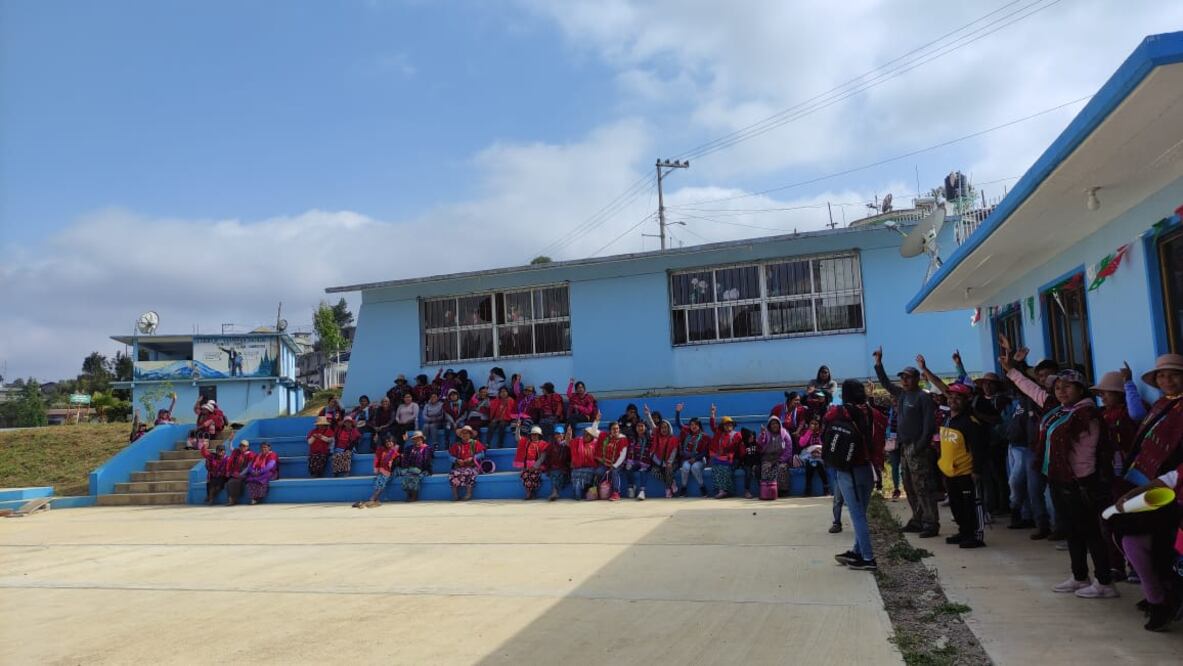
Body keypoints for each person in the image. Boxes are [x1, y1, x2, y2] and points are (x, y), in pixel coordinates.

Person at [1002, 354, 1117, 599]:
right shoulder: (1058, 410)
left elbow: (1086, 455)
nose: (1061, 390)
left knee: (1090, 532)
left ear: (1080, 388)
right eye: (1057, 387)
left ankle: (1105, 581)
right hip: (1059, 480)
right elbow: (1033, 390)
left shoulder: (1086, 415)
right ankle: (1079, 576)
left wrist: (1079, 484)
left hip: (1079, 483)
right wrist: (1012, 371)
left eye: (1067, 386)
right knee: (1072, 531)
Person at [1112, 354, 1183, 630]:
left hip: (1171, 490)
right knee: (1132, 539)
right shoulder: (1162, 404)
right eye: (1162, 376)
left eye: (1174, 374)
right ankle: (1158, 595)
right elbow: (1140, 421)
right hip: (1145, 483)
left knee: (1157, 547)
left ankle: (1161, 599)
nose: (1167, 380)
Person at [874, 346, 940, 537]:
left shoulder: (923, 398)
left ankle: (931, 522)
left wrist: (920, 446)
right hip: (904, 447)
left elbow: (929, 426)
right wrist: (879, 364)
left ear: (917, 379)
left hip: (918, 447)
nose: (904, 380)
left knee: (924, 486)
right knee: (909, 485)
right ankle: (917, 519)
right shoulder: (902, 394)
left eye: (908, 377)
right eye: (902, 377)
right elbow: (886, 384)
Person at [830, 379, 887, 572]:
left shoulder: (841, 412)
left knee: (857, 515)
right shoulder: (874, 413)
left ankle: (868, 558)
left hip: (849, 470)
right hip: (869, 469)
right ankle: (857, 551)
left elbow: (827, 420)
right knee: (861, 512)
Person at [933, 382, 989, 548]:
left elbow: (979, 449)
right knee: (956, 506)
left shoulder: (970, 422)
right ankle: (963, 531)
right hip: (950, 472)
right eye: (950, 397)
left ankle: (975, 535)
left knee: (971, 505)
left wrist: (976, 470)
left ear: (966, 400)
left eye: (958, 397)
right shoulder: (947, 420)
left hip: (966, 472)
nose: (953, 400)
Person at [355, 434, 400, 508]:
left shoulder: (395, 452)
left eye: (390, 441)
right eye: (387, 442)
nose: (388, 443)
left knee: (383, 479)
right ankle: (374, 498)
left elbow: (393, 464)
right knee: (380, 479)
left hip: (391, 472)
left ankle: (373, 498)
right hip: (382, 471)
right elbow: (377, 460)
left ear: (394, 442)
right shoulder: (381, 450)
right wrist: (377, 469)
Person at [673, 403, 709, 497]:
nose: (693, 426)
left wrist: (696, 458)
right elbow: (678, 423)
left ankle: (702, 487)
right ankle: (683, 488)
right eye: (692, 424)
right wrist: (678, 412)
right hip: (687, 459)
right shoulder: (686, 431)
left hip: (700, 460)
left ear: (699, 425)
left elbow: (705, 452)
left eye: (696, 424)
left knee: (694, 468)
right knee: (685, 468)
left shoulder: (704, 436)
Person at [707, 405, 741, 499]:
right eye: (726, 424)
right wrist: (713, 414)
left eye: (730, 424)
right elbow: (712, 426)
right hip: (720, 458)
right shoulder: (719, 434)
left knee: (724, 469)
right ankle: (721, 491)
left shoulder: (737, 435)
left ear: (733, 425)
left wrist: (726, 453)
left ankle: (727, 491)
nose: (728, 426)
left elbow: (734, 448)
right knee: (715, 469)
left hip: (732, 459)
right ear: (723, 426)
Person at [594, 419, 629, 502]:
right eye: (613, 429)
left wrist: (614, 466)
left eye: (617, 428)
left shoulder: (623, 439)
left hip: (618, 464)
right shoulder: (605, 436)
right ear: (610, 430)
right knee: (598, 472)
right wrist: (597, 420)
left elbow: (622, 455)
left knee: (614, 472)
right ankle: (598, 491)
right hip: (606, 463)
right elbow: (594, 431)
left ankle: (616, 493)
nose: (616, 430)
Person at [448, 425, 485, 501]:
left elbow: (482, 454)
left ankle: (468, 494)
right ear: (460, 435)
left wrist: (472, 458)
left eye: (467, 433)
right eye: (463, 433)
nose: (464, 435)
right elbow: (450, 457)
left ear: (470, 434)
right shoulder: (457, 445)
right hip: (460, 466)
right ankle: (455, 495)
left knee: (468, 472)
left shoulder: (475, 443)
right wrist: (457, 460)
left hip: (472, 466)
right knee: (453, 474)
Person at [758, 416, 791, 498]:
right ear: (769, 426)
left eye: (776, 423)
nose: (774, 425)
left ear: (779, 424)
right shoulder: (766, 434)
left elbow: (788, 449)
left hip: (781, 458)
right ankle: (767, 490)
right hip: (767, 458)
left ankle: (782, 491)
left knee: (782, 468)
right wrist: (762, 435)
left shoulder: (785, 434)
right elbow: (760, 445)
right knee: (766, 468)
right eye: (772, 424)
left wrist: (781, 460)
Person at [513, 425, 548, 500]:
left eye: (536, 434)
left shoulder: (543, 444)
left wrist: (535, 466)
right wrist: (518, 428)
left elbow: (542, 457)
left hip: (537, 467)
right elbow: (517, 438)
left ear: (539, 435)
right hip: (527, 467)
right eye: (532, 434)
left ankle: (532, 492)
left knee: (534, 476)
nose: (534, 436)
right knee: (525, 475)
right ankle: (529, 493)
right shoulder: (526, 442)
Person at [623, 420, 654, 500]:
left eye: (642, 426)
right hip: (635, 462)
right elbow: (630, 452)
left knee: (642, 470)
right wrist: (629, 462)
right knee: (628, 468)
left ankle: (642, 491)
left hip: (647, 462)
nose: (640, 428)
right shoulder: (633, 439)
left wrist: (648, 416)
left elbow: (654, 430)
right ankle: (631, 487)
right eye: (638, 426)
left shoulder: (650, 438)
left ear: (645, 427)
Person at [651, 417, 681, 498]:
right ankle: (672, 482)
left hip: (673, 462)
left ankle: (668, 489)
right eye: (662, 428)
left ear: (669, 428)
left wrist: (669, 462)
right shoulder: (657, 438)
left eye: (665, 427)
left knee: (668, 470)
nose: (664, 429)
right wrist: (648, 415)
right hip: (661, 463)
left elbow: (674, 452)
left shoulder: (674, 439)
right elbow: (653, 454)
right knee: (653, 471)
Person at [400, 431, 434, 502]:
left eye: (419, 439)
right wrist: (406, 468)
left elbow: (427, 461)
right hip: (410, 469)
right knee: (405, 477)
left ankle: (414, 496)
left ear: (422, 439)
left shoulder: (427, 448)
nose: (417, 441)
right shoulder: (409, 448)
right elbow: (405, 459)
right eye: (415, 439)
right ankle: (409, 495)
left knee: (414, 477)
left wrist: (423, 470)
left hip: (423, 469)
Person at [570, 422, 600, 500]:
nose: (585, 436)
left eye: (588, 434)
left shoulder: (596, 443)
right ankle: (578, 493)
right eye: (584, 434)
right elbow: (568, 442)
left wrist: (597, 421)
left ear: (591, 436)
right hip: (578, 467)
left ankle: (584, 492)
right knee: (576, 476)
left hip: (591, 467)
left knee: (587, 476)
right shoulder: (578, 442)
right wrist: (568, 434)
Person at [545, 425, 572, 501]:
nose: (559, 435)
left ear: (563, 435)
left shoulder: (566, 444)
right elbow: (547, 457)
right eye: (557, 433)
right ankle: (554, 492)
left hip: (565, 467)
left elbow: (568, 442)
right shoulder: (551, 445)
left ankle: (555, 492)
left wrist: (569, 434)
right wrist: (547, 468)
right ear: (554, 435)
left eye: (561, 433)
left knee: (557, 473)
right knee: (554, 473)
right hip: (554, 468)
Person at [225, 440, 254, 506]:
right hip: (236, 473)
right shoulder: (237, 452)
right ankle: (231, 499)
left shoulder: (251, 454)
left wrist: (241, 474)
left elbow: (248, 467)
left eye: (244, 446)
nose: (242, 447)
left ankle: (234, 499)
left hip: (245, 473)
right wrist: (230, 441)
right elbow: (231, 448)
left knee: (237, 481)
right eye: (241, 446)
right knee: (229, 482)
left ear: (247, 447)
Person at [199, 439, 228, 504]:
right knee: (210, 484)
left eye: (222, 450)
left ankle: (209, 497)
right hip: (213, 476)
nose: (220, 452)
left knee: (218, 487)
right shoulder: (212, 456)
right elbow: (204, 453)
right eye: (219, 450)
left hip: (222, 477)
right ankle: (210, 499)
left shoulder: (227, 459)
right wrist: (204, 446)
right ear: (216, 451)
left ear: (224, 451)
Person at [737, 427, 761, 499]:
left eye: (752, 436)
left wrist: (755, 464)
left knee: (758, 471)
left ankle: (762, 489)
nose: (752, 437)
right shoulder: (742, 445)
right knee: (748, 472)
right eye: (750, 436)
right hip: (746, 464)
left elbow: (758, 455)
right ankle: (746, 491)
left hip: (755, 463)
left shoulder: (755, 443)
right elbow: (742, 457)